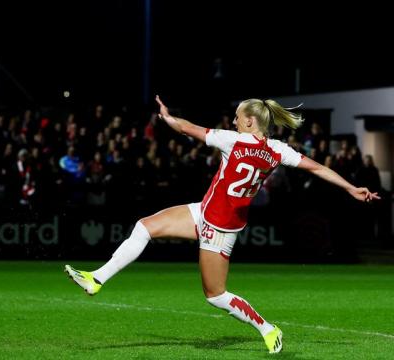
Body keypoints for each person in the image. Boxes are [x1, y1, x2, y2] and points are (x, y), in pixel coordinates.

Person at [65, 95, 380, 354]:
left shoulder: (235, 140)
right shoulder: (278, 151)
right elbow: (317, 168)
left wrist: (169, 118)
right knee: (144, 226)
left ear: (249, 121)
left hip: (221, 228)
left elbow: (190, 129)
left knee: (215, 295)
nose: (232, 120)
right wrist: (351, 187)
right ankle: (97, 279)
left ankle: (267, 328)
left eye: (237, 116)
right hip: (205, 211)